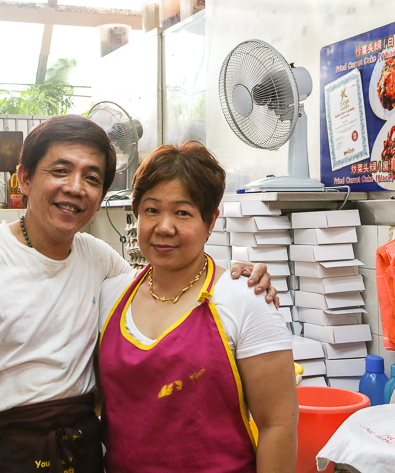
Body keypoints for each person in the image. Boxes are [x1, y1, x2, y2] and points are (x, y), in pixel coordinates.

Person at [0, 116, 278, 473]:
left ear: (102, 195)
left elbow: (167, 277)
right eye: (60, 170)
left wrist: (235, 272)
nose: (75, 187)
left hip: (81, 449)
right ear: (24, 178)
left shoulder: (99, 259)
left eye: (91, 178)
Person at [98, 142, 298, 472]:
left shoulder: (245, 300)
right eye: (151, 210)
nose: (164, 227)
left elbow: (278, 425)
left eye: (182, 212)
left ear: (210, 221)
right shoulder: (110, 295)